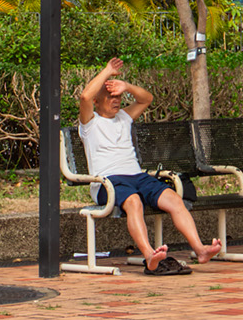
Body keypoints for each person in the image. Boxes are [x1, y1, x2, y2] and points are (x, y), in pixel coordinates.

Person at [77, 55, 219, 274]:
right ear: (97, 102)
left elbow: (146, 99)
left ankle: (200, 249)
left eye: (119, 96)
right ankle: (149, 256)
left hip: (137, 177)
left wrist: (126, 86)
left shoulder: (124, 117)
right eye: (110, 97)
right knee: (133, 202)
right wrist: (107, 71)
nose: (116, 100)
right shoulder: (90, 124)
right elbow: (85, 95)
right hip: (107, 181)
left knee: (173, 197)